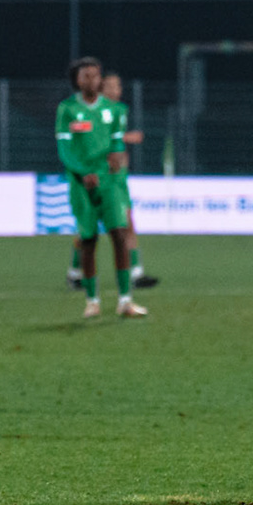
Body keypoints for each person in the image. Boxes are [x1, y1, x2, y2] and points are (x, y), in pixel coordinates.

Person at [56, 57, 147, 319]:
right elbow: (64, 149)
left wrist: (118, 156)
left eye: (96, 76)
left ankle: (125, 301)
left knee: (120, 234)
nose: (92, 81)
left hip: (109, 183)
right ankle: (92, 301)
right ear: (77, 80)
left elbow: (117, 142)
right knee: (88, 241)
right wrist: (84, 173)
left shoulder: (115, 110)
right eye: (86, 76)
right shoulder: (67, 110)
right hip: (81, 184)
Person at [68, 71, 158, 289]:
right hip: (98, 177)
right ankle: (75, 272)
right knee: (89, 228)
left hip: (118, 178)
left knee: (127, 223)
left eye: (118, 86)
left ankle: (135, 273)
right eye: (111, 86)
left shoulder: (117, 112)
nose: (116, 90)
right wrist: (128, 138)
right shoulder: (93, 111)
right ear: (101, 88)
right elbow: (92, 136)